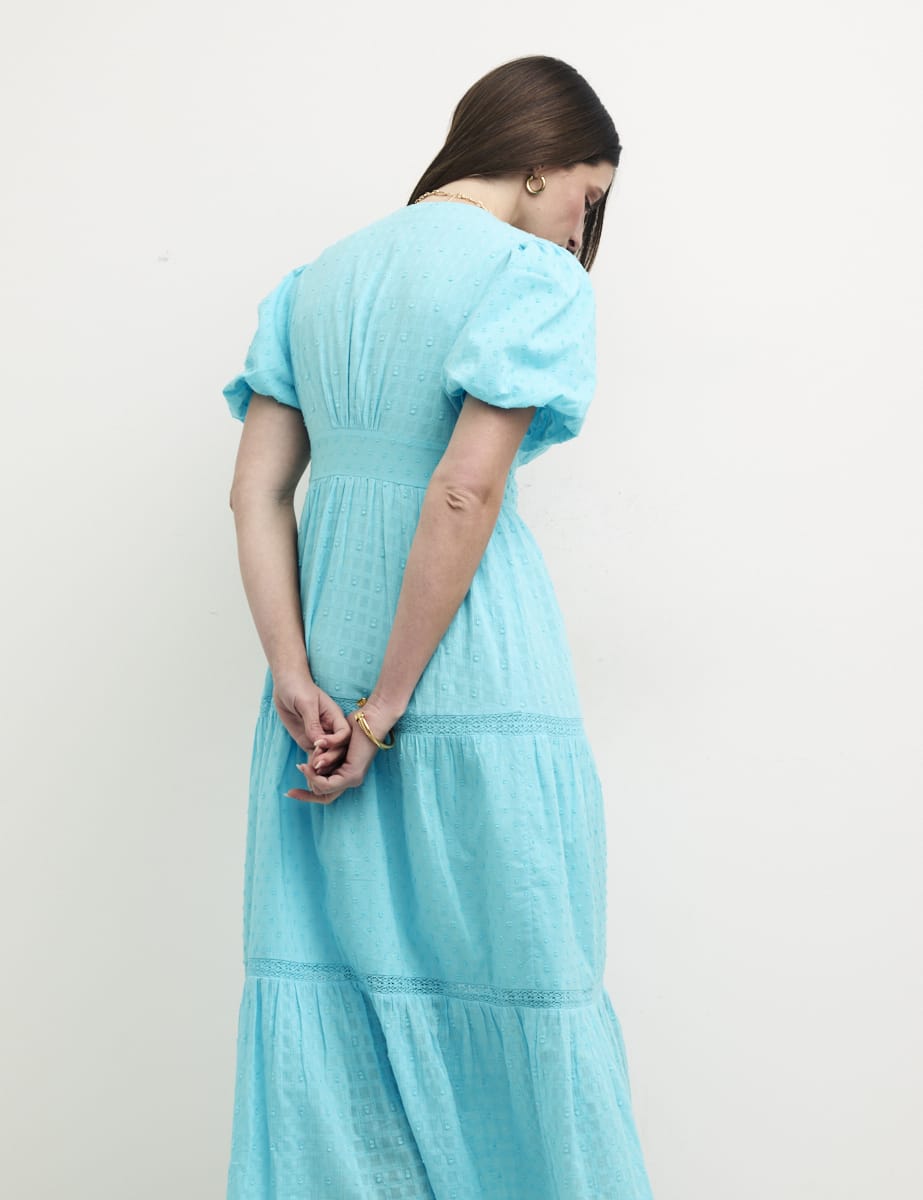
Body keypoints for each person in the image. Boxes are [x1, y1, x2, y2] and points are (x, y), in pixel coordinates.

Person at [222, 54, 654, 1200]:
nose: (581, 231)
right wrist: (384, 708)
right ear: (536, 162)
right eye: (589, 197)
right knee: (523, 979)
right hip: (465, 682)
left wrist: (294, 674)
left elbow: (255, 494)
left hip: (313, 707)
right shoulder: (528, 277)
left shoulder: (313, 284)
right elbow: (463, 490)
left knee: (338, 1025)